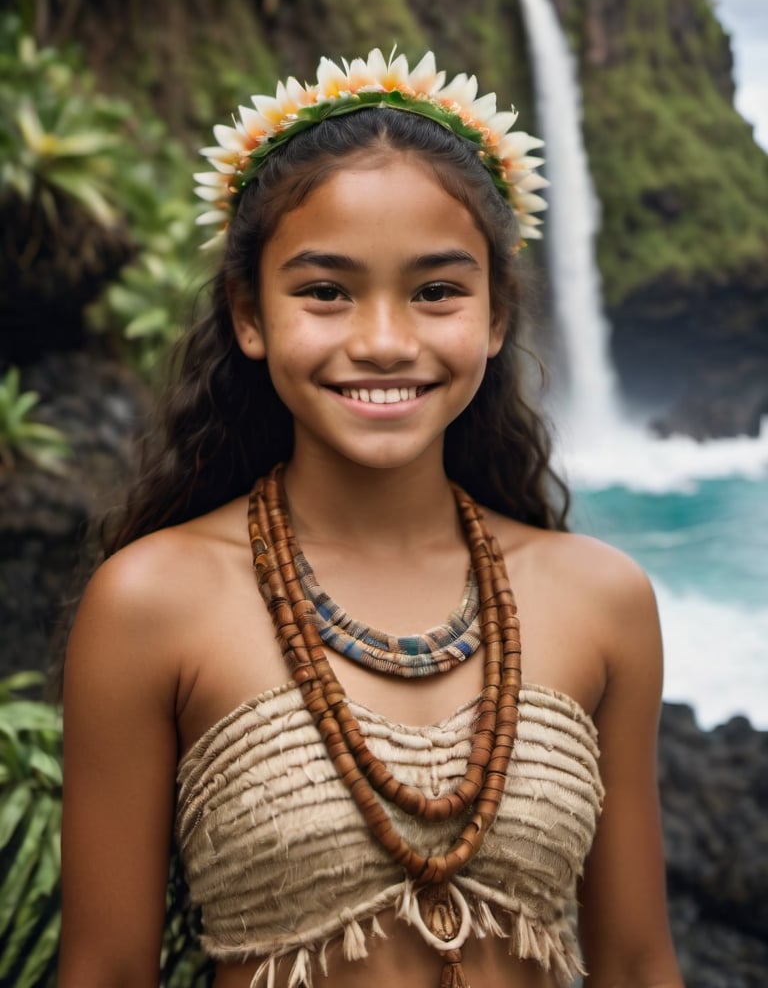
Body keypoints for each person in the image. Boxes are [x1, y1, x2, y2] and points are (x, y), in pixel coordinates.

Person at [58, 48, 683, 988]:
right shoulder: (151, 604)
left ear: (498, 317)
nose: (384, 342)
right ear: (249, 313)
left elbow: (637, 963)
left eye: (437, 291)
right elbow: (104, 971)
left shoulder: (605, 601)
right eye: (325, 291)